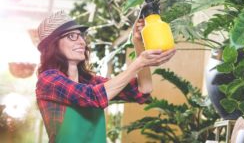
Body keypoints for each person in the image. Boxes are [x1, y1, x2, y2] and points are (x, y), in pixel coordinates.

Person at [35, 10, 176, 143]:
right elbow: (92, 97)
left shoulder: (91, 82)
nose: (82, 42)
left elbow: (143, 89)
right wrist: (138, 63)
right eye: (72, 36)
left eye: (81, 36)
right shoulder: (48, 80)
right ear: (53, 45)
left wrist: (138, 43)